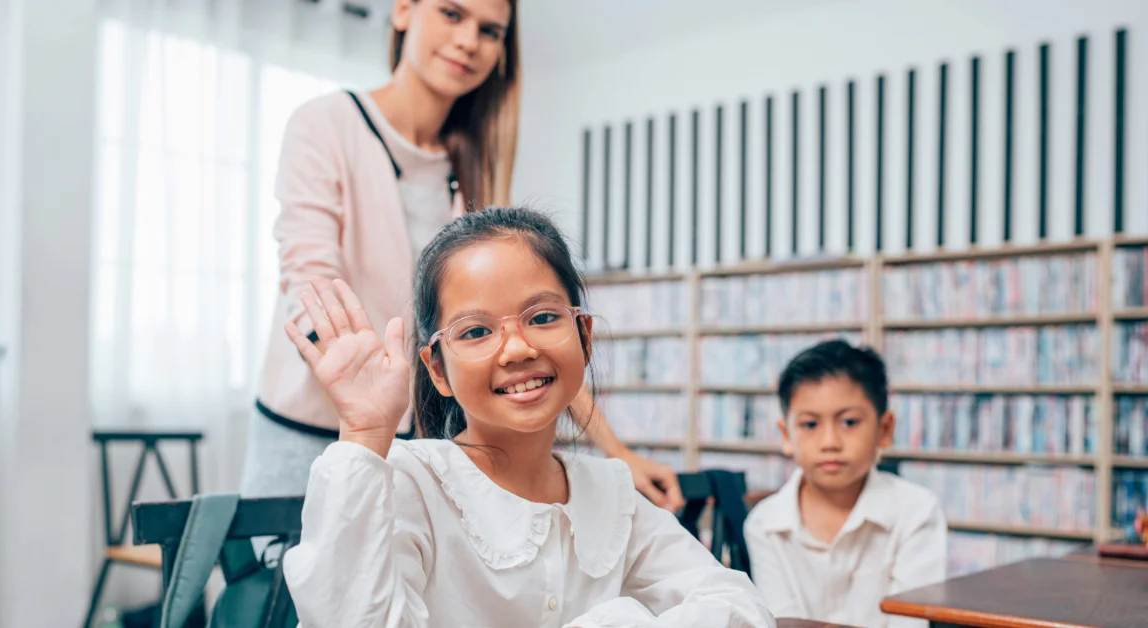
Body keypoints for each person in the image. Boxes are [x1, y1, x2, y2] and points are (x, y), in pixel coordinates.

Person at [246, 0, 682, 510]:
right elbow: (309, 277)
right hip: (315, 426)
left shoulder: (474, 164)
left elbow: (528, 330)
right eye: (453, 14)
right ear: (404, 10)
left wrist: (616, 452)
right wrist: (366, 408)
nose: (470, 40)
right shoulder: (327, 122)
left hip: (420, 441)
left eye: (490, 30)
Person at [281, 208, 775, 627]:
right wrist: (365, 433)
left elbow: (739, 606)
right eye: (475, 332)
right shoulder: (412, 480)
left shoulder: (609, 491)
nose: (517, 349)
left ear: (584, 336)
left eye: (542, 318)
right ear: (437, 368)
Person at [745, 339, 947, 628]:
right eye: (810, 425)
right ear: (786, 435)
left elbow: (911, 624)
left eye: (849, 422)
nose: (830, 443)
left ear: (884, 429)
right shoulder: (764, 523)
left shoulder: (917, 511)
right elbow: (783, 622)